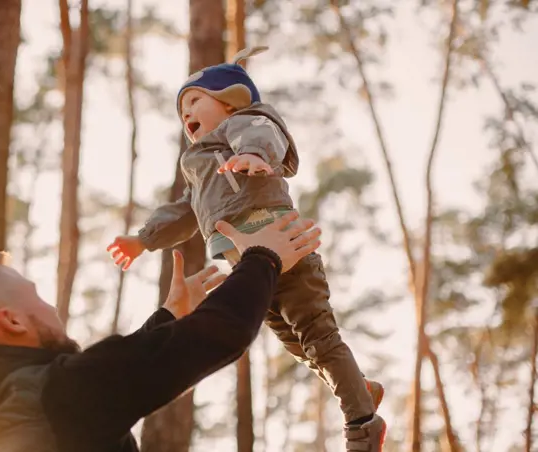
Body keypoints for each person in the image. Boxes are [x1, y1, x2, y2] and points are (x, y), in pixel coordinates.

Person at [106, 46, 386, 451]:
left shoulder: (245, 125)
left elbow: (260, 135)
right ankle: (358, 388)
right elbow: (184, 211)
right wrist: (144, 239)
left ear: (230, 100)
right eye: (182, 112)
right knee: (299, 346)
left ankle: (363, 424)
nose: (187, 116)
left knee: (318, 336)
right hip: (254, 271)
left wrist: (254, 155)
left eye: (195, 101)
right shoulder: (200, 165)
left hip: (282, 245)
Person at [0, 211, 320, 452]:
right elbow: (217, 334)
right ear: (13, 321)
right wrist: (263, 257)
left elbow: (113, 378)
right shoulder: (56, 394)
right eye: (36, 297)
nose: (51, 307)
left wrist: (168, 316)